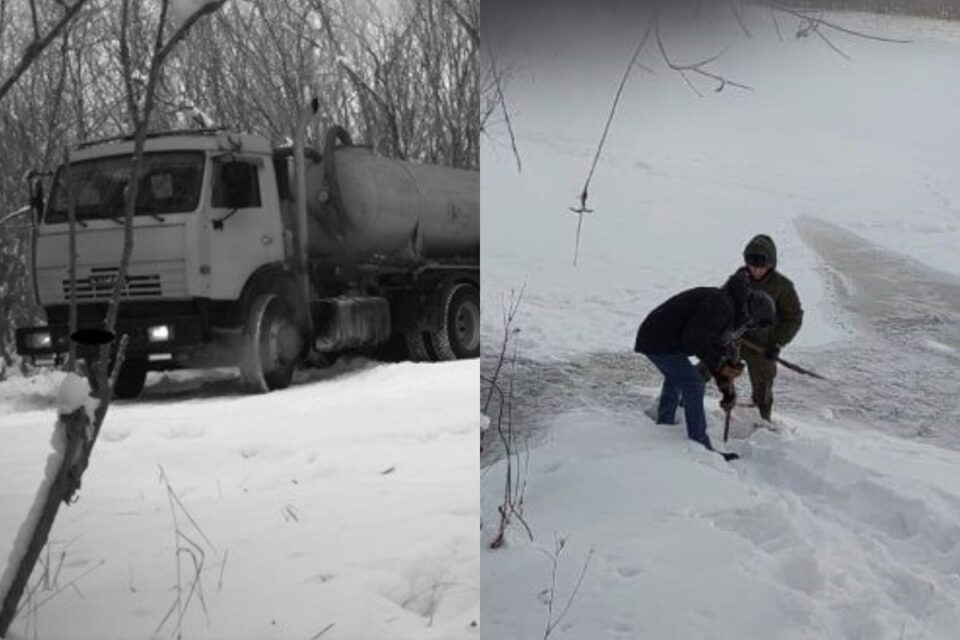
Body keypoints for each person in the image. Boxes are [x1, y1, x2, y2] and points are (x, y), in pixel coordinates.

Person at [634, 272, 776, 458]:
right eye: (753, 324)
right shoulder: (721, 305)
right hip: (658, 339)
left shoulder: (729, 310)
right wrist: (721, 363)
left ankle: (665, 425)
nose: (749, 327)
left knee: (678, 377)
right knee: (693, 383)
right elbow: (694, 339)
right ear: (751, 315)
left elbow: (716, 353)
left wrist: (727, 390)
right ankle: (699, 444)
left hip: (664, 339)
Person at [731, 234, 804, 422]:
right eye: (751, 263)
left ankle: (763, 422)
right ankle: (686, 404)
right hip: (735, 340)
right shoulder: (738, 279)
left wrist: (777, 342)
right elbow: (724, 303)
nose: (755, 269)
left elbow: (793, 318)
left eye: (760, 265)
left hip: (763, 347)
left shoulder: (782, 286)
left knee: (763, 388)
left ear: (771, 263)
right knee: (706, 368)